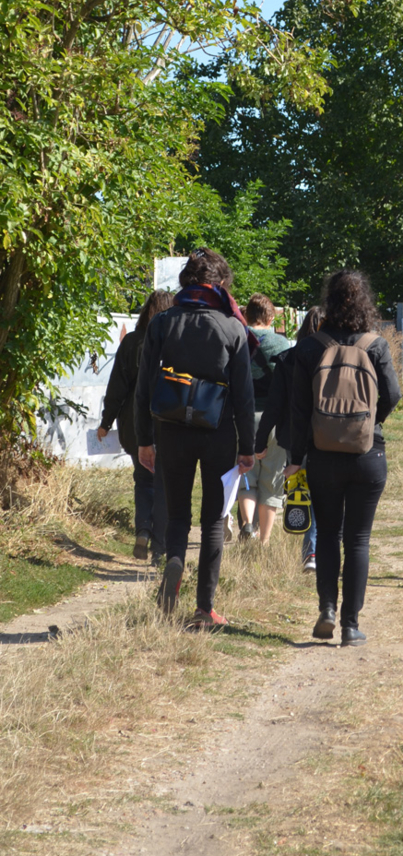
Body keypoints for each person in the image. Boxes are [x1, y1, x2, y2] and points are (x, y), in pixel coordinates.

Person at [135, 248, 255, 629]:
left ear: (187, 282)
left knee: (177, 515)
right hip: (218, 433)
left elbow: (143, 387)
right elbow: (244, 394)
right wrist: (247, 447)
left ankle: (173, 561)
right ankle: (205, 608)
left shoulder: (163, 322)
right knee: (214, 520)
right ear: (220, 285)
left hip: (170, 431)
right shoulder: (233, 328)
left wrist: (144, 440)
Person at [291, 272, 401, 646]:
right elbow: (392, 396)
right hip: (367, 453)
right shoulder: (376, 346)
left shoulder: (309, 348)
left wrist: (295, 456)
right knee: (358, 539)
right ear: (365, 303)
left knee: (328, 535)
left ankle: (327, 609)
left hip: (321, 455)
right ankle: (351, 625)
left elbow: (298, 409)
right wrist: (369, 421)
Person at [98, 291, 173, 564]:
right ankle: (160, 547)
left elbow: (116, 388)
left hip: (134, 422)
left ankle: (143, 529)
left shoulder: (131, 342)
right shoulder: (173, 341)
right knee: (164, 483)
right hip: (168, 420)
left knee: (143, 480)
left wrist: (106, 423)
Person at [255, 306, 325, 571]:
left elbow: (274, 405)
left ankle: (311, 552)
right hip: (328, 433)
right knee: (324, 492)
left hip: (293, 435)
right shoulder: (335, 355)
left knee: (302, 490)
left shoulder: (288, 358)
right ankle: (317, 550)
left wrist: (260, 441)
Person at [239, 294, 291, 544]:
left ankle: (248, 524)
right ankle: (265, 541)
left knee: (247, 475)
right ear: (270, 317)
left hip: (241, 417)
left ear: (247, 315)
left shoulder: (236, 338)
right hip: (273, 419)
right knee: (271, 479)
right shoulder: (280, 343)